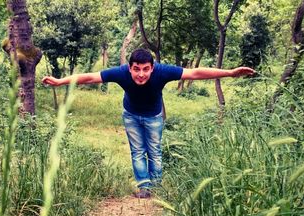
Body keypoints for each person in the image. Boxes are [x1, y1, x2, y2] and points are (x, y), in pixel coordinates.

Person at [42, 49, 255, 198]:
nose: (141, 74)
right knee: (137, 151)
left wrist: (230, 72)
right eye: (136, 69)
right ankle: (144, 188)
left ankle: (157, 186)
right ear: (130, 67)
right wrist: (60, 81)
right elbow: (90, 78)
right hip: (131, 115)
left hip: (154, 116)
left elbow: (196, 73)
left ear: (152, 68)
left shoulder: (163, 71)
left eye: (145, 69)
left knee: (154, 152)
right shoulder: (120, 73)